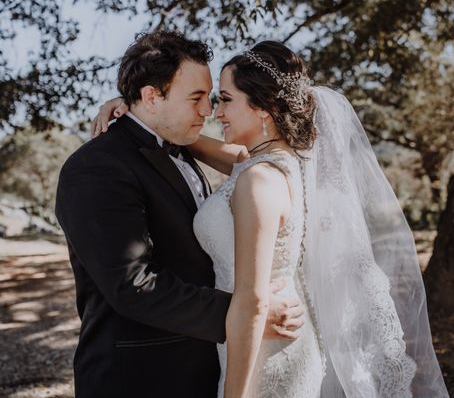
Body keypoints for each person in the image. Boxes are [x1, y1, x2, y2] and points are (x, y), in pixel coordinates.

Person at [94, 39, 449, 397]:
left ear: (264, 109)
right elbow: (214, 149)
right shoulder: (282, 163)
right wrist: (142, 111)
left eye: (226, 99)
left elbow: (252, 303)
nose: (215, 112)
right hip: (276, 342)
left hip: (262, 354)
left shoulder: (258, 181)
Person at [56, 31, 304, 398]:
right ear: (152, 96)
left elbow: (250, 161)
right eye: (197, 98)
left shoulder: (183, 146)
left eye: (213, 97)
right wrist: (247, 313)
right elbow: (134, 285)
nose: (209, 111)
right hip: (142, 378)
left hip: (204, 366)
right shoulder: (96, 167)